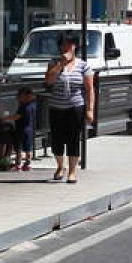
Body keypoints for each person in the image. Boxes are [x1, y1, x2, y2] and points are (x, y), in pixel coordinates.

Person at [43, 32, 95, 184]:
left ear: (75, 46)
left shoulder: (83, 65)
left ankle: (72, 171)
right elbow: (49, 81)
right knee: (57, 140)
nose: (66, 47)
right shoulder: (53, 63)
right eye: (63, 44)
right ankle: (60, 166)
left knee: (73, 140)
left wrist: (90, 110)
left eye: (70, 44)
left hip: (75, 107)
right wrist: (61, 64)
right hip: (56, 107)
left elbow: (89, 89)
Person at [12, 87, 37, 171]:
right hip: (29, 129)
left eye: (19, 96)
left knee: (18, 148)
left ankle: (18, 164)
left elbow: (17, 116)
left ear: (26, 96)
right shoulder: (33, 105)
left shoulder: (24, 107)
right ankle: (27, 164)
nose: (17, 97)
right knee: (28, 148)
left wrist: (5, 118)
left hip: (21, 129)